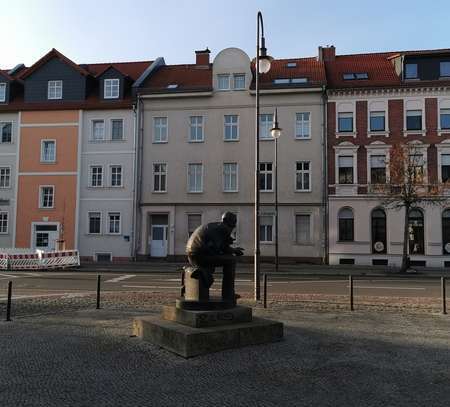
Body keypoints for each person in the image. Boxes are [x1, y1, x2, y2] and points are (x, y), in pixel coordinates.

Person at [186, 212, 244, 303]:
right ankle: (228, 295)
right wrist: (232, 252)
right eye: (233, 222)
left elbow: (221, 246)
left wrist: (233, 250)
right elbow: (218, 247)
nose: (234, 225)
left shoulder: (215, 226)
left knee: (227, 258)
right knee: (231, 260)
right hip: (200, 255)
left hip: (193, 255)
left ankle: (205, 273)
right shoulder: (223, 228)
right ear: (226, 221)